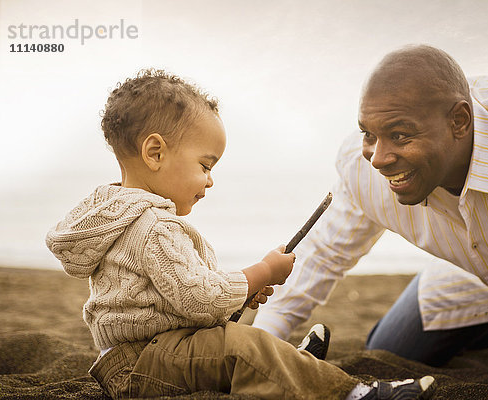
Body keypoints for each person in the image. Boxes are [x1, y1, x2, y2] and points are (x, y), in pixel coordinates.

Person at [45, 69, 435, 399]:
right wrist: (261, 272)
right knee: (243, 347)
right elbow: (199, 300)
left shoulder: (121, 216)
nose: (210, 180)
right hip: (141, 362)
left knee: (239, 340)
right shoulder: (153, 229)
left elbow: (179, 304)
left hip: (142, 354)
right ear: (155, 153)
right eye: (204, 165)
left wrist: (243, 296)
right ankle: (351, 393)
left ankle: (291, 368)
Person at [253, 44, 488, 367]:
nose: (379, 158)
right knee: (388, 350)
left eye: (400, 135)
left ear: (459, 121)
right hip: (475, 275)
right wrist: (259, 344)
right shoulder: (362, 167)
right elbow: (323, 254)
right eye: (368, 134)